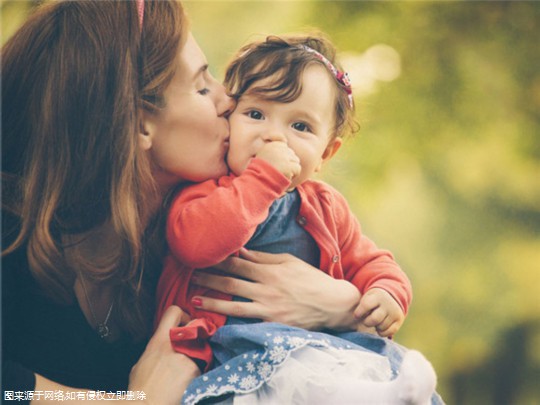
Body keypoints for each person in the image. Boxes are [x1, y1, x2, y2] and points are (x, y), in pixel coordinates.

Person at [2, 2, 367, 403]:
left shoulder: (181, 236)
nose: (229, 100)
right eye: (201, 85)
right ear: (140, 122)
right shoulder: (10, 234)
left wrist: (346, 307)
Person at [155, 35, 439, 404]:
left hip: (311, 347)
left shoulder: (326, 206)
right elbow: (195, 244)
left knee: (339, 367)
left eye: (301, 127)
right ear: (229, 120)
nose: (274, 135)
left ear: (326, 153)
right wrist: (263, 180)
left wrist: (386, 293)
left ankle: (380, 395)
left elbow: (372, 261)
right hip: (223, 356)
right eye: (255, 114)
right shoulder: (207, 191)